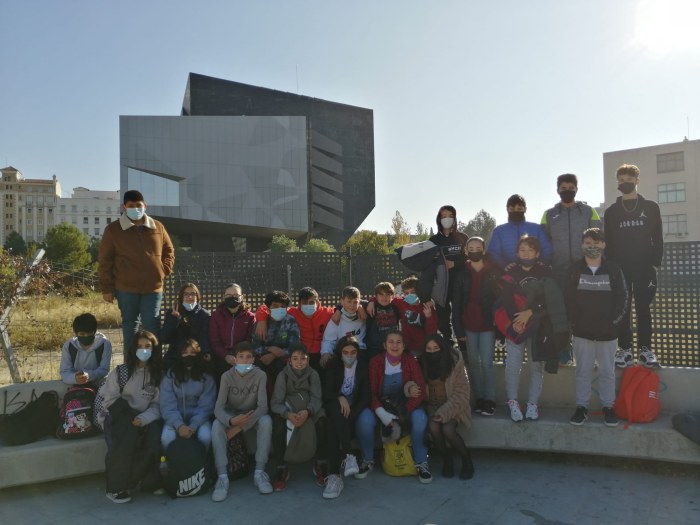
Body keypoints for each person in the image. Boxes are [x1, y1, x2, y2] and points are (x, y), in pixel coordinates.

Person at [498, 236, 567, 422]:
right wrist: (516, 320)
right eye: (522, 250)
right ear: (517, 253)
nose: (526, 253)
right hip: (516, 326)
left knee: (536, 365)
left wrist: (530, 312)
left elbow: (550, 299)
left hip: (539, 326)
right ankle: (512, 402)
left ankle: (532, 404)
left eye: (530, 250)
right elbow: (505, 297)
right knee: (512, 365)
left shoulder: (546, 272)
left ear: (537, 253)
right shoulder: (511, 270)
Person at [98, 189, 175, 353]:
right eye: (131, 205)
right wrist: (107, 288)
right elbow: (105, 260)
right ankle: (131, 366)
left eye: (138, 205)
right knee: (130, 327)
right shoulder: (113, 229)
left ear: (145, 206)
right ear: (124, 207)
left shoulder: (158, 227)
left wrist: (163, 270)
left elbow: (169, 250)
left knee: (152, 327)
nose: (136, 208)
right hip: (126, 289)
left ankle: (155, 367)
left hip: (153, 288)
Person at [565, 228, 627, 427]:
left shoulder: (614, 269)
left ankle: (608, 407)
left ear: (604, 245)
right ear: (582, 246)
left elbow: (623, 298)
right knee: (582, 372)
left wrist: (613, 323)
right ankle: (581, 407)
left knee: (607, 372)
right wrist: (575, 323)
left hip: (607, 334)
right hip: (582, 333)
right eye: (588, 243)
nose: (592, 246)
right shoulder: (574, 269)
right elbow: (568, 299)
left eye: (596, 242)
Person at [604, 164, 663, 369]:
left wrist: (655, 264)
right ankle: (625, 350)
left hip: (644, 269)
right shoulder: (611, 211)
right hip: (620, 269)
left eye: (629, 179)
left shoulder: (651, 207)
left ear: (637, 181)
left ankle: (646, 350)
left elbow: (658, 238)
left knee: (643, 309)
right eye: (621, 180)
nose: (624, 183)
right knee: (624, 309)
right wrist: (611, 268)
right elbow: (608, 243)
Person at [96, 330, 163, 504]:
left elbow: (157, 405)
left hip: (143, 417)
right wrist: (130, 417)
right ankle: (116, 488)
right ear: (133, 349)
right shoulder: (121, 372)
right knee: (126, 439)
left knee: (155, 436)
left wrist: (144, 418)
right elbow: (108, 400)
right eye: (139, 346)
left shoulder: (157, 375)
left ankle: (150, 482)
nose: (144, 350)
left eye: (148, 346)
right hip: (117, 416)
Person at [541, 173, 602, 365]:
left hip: (584, 270)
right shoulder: (549, 214)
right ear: (557, 190)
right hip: (558, 272)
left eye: (571, 187)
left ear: (577, 188)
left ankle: (588, 356)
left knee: (585, 310)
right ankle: (564, 353)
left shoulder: (589, 211)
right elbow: (544, 243)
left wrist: (596, 265)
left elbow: (598, 239)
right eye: (563, 188)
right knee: (561, 313)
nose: (567, 191)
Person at [356, 330, 431, 483]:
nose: (394, 345)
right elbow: (371, 392)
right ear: (384, 345)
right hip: (382, 407)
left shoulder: (411, 361)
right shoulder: (375, 362)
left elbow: (421, 389)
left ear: (404, 346)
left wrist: (406, 410)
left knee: (420, 418)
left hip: (405, 406)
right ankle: (367, 460)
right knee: (364, 419)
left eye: (398, 342)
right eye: (391, 342)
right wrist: (382, 413)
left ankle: (421, 462)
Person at [211, 342, 273, 502]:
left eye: (248, 357)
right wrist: (231, 421)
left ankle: (259, 473)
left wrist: (239, 427)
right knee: (217, 425)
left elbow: (263, 407)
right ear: (235, 359)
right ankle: (222, 476)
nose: (245, 361)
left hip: (250, 415)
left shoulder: (261, 375)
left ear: (253, 359)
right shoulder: (227, 376)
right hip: (232, 415)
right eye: (241, 357)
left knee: (266, 421)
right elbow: (218, 408)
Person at [452, 237, 501, 416]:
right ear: (466, 251)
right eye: (471, 248)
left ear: (483, 249)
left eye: (478, 247)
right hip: (468, 325)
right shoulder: (462, 273)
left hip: (488, 324)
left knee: (487, 363)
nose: (474, 250)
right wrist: (458, 329)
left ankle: (490, 399)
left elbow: (500, 298)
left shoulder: (493, 271)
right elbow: (456, 304)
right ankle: (479, 398)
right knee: (473, 364)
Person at [269, 343, 327, 492]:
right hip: (289, 411)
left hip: (309, 410)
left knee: (322, 423)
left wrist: (308, 411)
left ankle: (320, 463)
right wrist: (288, 414)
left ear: (308, 360)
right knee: (278, 426)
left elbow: (317, 398)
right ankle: (281, 467)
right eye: (295, 358)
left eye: (303, 358)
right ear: (290, 360)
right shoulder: (283, 376)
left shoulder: (313, 374)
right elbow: (276, 403)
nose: (299, 362)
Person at [418, 334, 475, 479]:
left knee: (447, 429)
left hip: (454, 406)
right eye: (428, 349)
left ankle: (466, 459)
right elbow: (411, 382)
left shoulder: (455, 363)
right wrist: (410, 387)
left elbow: (462, 394)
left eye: (436, 348)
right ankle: (446, 459)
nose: (432, 352)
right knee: (433, 427)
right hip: (432, 406)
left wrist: (444, 412)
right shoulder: (421, 363)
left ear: (442, 348)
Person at [322, 336, 371, 499]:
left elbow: (365, 397)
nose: (349, 355)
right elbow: (326, 393)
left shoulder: (363, 367)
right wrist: (340, 396)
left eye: (353, 352)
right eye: (345, 352)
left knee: (332, 426)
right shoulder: (333, 365)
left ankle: (335, 476)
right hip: (334, 404)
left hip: (352, 409)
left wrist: (351, 414)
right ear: (340, 353)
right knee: (336, 410)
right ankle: (349, 455)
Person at [254, 286, 335, 375]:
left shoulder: (327, 313)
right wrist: (262, 320)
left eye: (311, 302)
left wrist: (339, 312)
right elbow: (265, 308)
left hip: (320, 352)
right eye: (304, 302)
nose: (308, 305)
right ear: (299, 304)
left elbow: (342, 309)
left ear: (318, 303)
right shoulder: (292, 313)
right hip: (301, 354)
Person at [159, 339, 216, 452]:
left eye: (192, 352)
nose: (188, 355)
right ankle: (168, 463)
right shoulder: (170, 375)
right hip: (175, 417)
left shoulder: (207, 376)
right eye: (185, 352)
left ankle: (201, 465)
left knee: (206, 437)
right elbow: (167, 404)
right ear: (180, 355)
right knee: (166, 438)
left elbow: (206, 405)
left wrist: (194, 425)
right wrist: (179, 425)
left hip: (199, 419)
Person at [366, 276, 438, 356]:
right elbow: (384, 297)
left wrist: (429, 316)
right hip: (407, 347)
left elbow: (432, 331)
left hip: (424, 347)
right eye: (406, 293)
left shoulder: (427, 306)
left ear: (419, 291)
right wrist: (371, 302)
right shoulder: (401, 302)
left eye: (413, 292)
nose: (409, 295)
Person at [428, 205, 468, 343]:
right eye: (444, 216)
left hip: (461, 284)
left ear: (455, 218)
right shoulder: (433, 240)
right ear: (439, 219)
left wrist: (454, 264)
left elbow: (469, 259)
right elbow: (429, 262)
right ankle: (448, 343)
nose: (447, 219)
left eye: (450, 216)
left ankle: (464, 346)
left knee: (461, 314)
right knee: (443, 318)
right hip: (441, 285)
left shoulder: (463, 237)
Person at [488, 194, 553, 269]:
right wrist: (505, 265)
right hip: (508, 273)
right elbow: (493, 252)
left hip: (534, 272)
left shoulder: (537, 228)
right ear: (507, 210)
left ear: (525, 209)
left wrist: (539, 264)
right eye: (512, 209)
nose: (515, 211)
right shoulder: (499, 231)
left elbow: (547, 249)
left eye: (519, 209)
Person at [251, 291, 300, 386]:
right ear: (268, 308)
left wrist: (273, 355)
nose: (279, 308)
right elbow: (255, 347)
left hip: (284, 361)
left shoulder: (290, 321)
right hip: (263, 360)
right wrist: (270, 349)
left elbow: (294, 346)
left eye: (283, 306)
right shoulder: (260, 324)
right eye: (275, 306)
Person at [209, 283, 255, 381]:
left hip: (242, 357)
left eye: (236, 295)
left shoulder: (250, 317)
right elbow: (214, 341)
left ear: (242, 297)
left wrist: (239, 356)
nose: (232, 298)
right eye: (228, 295)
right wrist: (225, 355)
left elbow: (250, 339)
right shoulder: (216, 316)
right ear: (223, 297)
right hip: (221, 357)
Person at [161, 283, 212, 369]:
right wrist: (174, 319)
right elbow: (164, 338)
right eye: (186, 294)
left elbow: (204, 337)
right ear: (181, 297)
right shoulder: (172, 312)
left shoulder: (204, 315)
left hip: (195, 355)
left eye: (192, 294)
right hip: (175, 356)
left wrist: (205, 352)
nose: (189, 297)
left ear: (197, 296)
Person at [59, 313, 112, 387]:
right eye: (82, 334)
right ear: (76, 333)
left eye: (89, 333)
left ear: (94, 331)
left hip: (98, 382)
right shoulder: (69, 346)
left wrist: (89, 375)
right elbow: (65, 372)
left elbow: (104, 370)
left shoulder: (104, 344)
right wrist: (74, 378)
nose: (86, 336)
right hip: (76, 383)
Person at [320, 286, 367, 366]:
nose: (352, 305)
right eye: (349, 301)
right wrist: (325, 352)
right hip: (342, 352)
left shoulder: (364, 314)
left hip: (361, 352)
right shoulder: (336, 318)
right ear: (342, 301)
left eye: (355, 302)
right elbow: (328, 340)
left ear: (359, 302)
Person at [364, 282, 401, 360]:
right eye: (381, 294)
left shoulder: (397, 307)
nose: (384, 297)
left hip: (393, 348)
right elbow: (354, 301)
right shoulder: (370, 306)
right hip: (374, 350)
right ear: (376, 296)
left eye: (387, 294)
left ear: (392, 296)